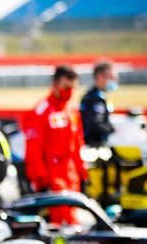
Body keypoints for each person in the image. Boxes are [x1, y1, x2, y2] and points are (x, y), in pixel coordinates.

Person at [24, 65, 87, 224]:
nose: (69, 91)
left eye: (73, 87)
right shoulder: (42, 110)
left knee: (74, 218)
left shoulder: (72, 109)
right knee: (61, 221)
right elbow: (33, 148)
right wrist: (40, 179)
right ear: (55, 84)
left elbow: (78, 143)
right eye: (66, 87)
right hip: (52, 174)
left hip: (71, 174)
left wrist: (82, 172)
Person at [80, 61, 117, 147]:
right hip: (94, 145)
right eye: (111, 77)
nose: (114, 80)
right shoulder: (95, 98)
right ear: (100, 77)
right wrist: (114, 130)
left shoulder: (98, 95)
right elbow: (96, 124)